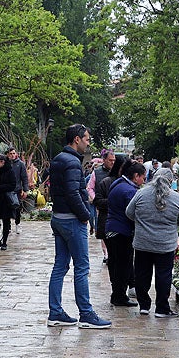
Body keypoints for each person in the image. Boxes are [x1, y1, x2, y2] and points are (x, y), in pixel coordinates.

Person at [46, 124, 111, 329]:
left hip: (58, 217)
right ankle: (86, 314)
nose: (88, 143)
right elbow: (73, 193)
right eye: (86, 139)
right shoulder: (73, 162)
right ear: (76, 139)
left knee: (60, 265)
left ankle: (55, 312)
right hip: (72, 220)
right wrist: (84, 216)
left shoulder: (58, 159)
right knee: (82, 267)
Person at [126, 167, 179, 317]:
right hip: (165, 244)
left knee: (142, 274)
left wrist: (142, 222)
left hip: (143, 242)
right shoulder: (175, 197)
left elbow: (129, 212)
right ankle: (162, 308)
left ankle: (144, 305)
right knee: (164, 276)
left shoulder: (141, 193)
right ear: (170, 181)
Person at [105, 161, 144, 307]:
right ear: (135, 176)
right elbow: (134, 213)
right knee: (123, 266)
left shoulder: (118, 183)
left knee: (116, 265)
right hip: (122, 231)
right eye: (142, 177)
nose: (144, 181)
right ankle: (119, 297)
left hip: (112, 229)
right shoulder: (129, 191)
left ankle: (117, 294)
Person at [93, 155, 125, 265]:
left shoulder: (128, 183)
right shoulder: (105, 181)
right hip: (108, 221)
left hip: (123, 225)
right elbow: (97, 201)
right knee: (114, 257)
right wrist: (114, 201)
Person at [7, 147, 29, 230]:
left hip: (17, 189)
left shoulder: (20, 164)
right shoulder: (5, 163)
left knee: (17, 207)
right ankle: (8, 226)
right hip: (7, 189)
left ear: (16, 154)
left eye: (13, 153)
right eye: (11, 153)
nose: (12, 155)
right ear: (8, 154)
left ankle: (17, 224)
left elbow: (24, 178)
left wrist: (26, 190)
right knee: (7, 208)